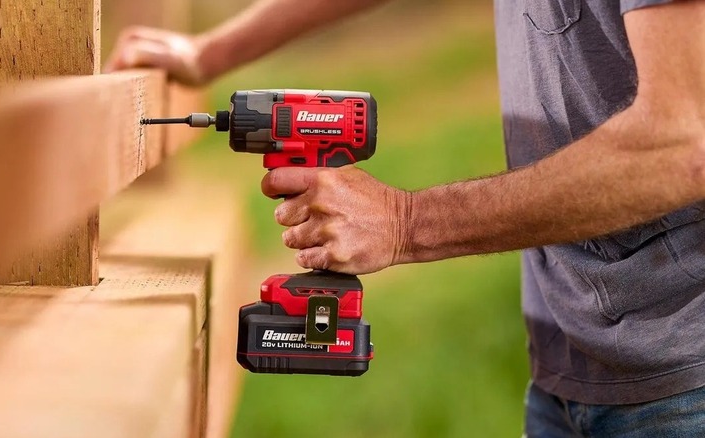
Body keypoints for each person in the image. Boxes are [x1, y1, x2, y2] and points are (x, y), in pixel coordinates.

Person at [107, 1, 705, 435]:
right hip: (566, 362)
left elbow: (683, 144)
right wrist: (210, 51)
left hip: (679, 383)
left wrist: (404, 222)